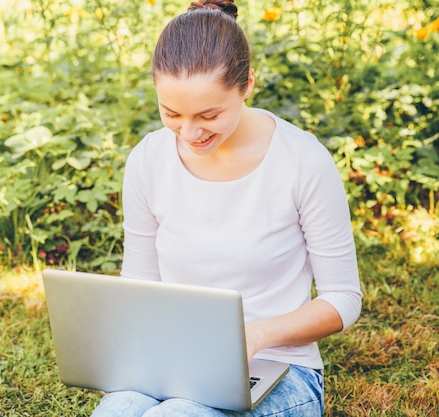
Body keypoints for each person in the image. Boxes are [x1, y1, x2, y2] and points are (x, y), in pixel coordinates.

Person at [91, 0, 362, 416]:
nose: (190, 132)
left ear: (247, 84)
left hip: (280, 370)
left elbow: (343, 298)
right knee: (117, 410)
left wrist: (253, 335)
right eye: (172, 114)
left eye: (209, 114)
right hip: (174, 364)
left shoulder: (302, 160)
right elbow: (139, 288)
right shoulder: (148, 159)